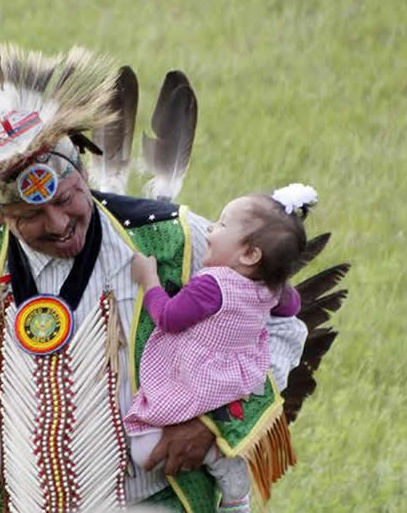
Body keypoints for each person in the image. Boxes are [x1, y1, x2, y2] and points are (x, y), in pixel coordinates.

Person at [0, 0, 309, 513]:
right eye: (30, 215)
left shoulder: (167, 238)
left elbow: (279, 325)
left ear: (82, 170)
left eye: (67, 197)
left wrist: (215, 424)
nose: (57, 223)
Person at [125, 185, 317, 512]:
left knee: (144, 452)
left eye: (222, 224)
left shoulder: (211, 285)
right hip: (235, 379)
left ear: (249, 254)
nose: (210, 229)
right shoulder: (274, 290)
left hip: (195, 379)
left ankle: (221, 459)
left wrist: (150, 282)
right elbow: (290, 307)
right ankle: (232, 479)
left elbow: (170, 319)